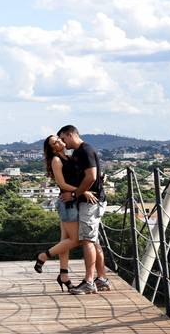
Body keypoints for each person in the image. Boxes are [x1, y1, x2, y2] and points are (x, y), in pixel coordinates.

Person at [57, 124, 111, 295]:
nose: (64, 143)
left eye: (64, 139)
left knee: (87, 240)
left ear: (71, 134)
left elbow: (91, 177)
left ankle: (89, 281)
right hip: (93, 200)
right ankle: (101, 279)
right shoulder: (81, 152)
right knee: (94, 241)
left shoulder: (85, 150)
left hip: (91, 202)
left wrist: (74, 195)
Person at [33, 134, 81, 291]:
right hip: (68, 203)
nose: (59, 142)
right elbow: (61, 184)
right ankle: (44, 256)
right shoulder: (56, 160)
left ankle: (64, 276)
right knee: (75, 240)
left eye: (59, 139)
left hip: (71, 201)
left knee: (64, 242)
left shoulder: (68, 157)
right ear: (52, 148)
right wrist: (83, 191)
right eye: (55, 142)